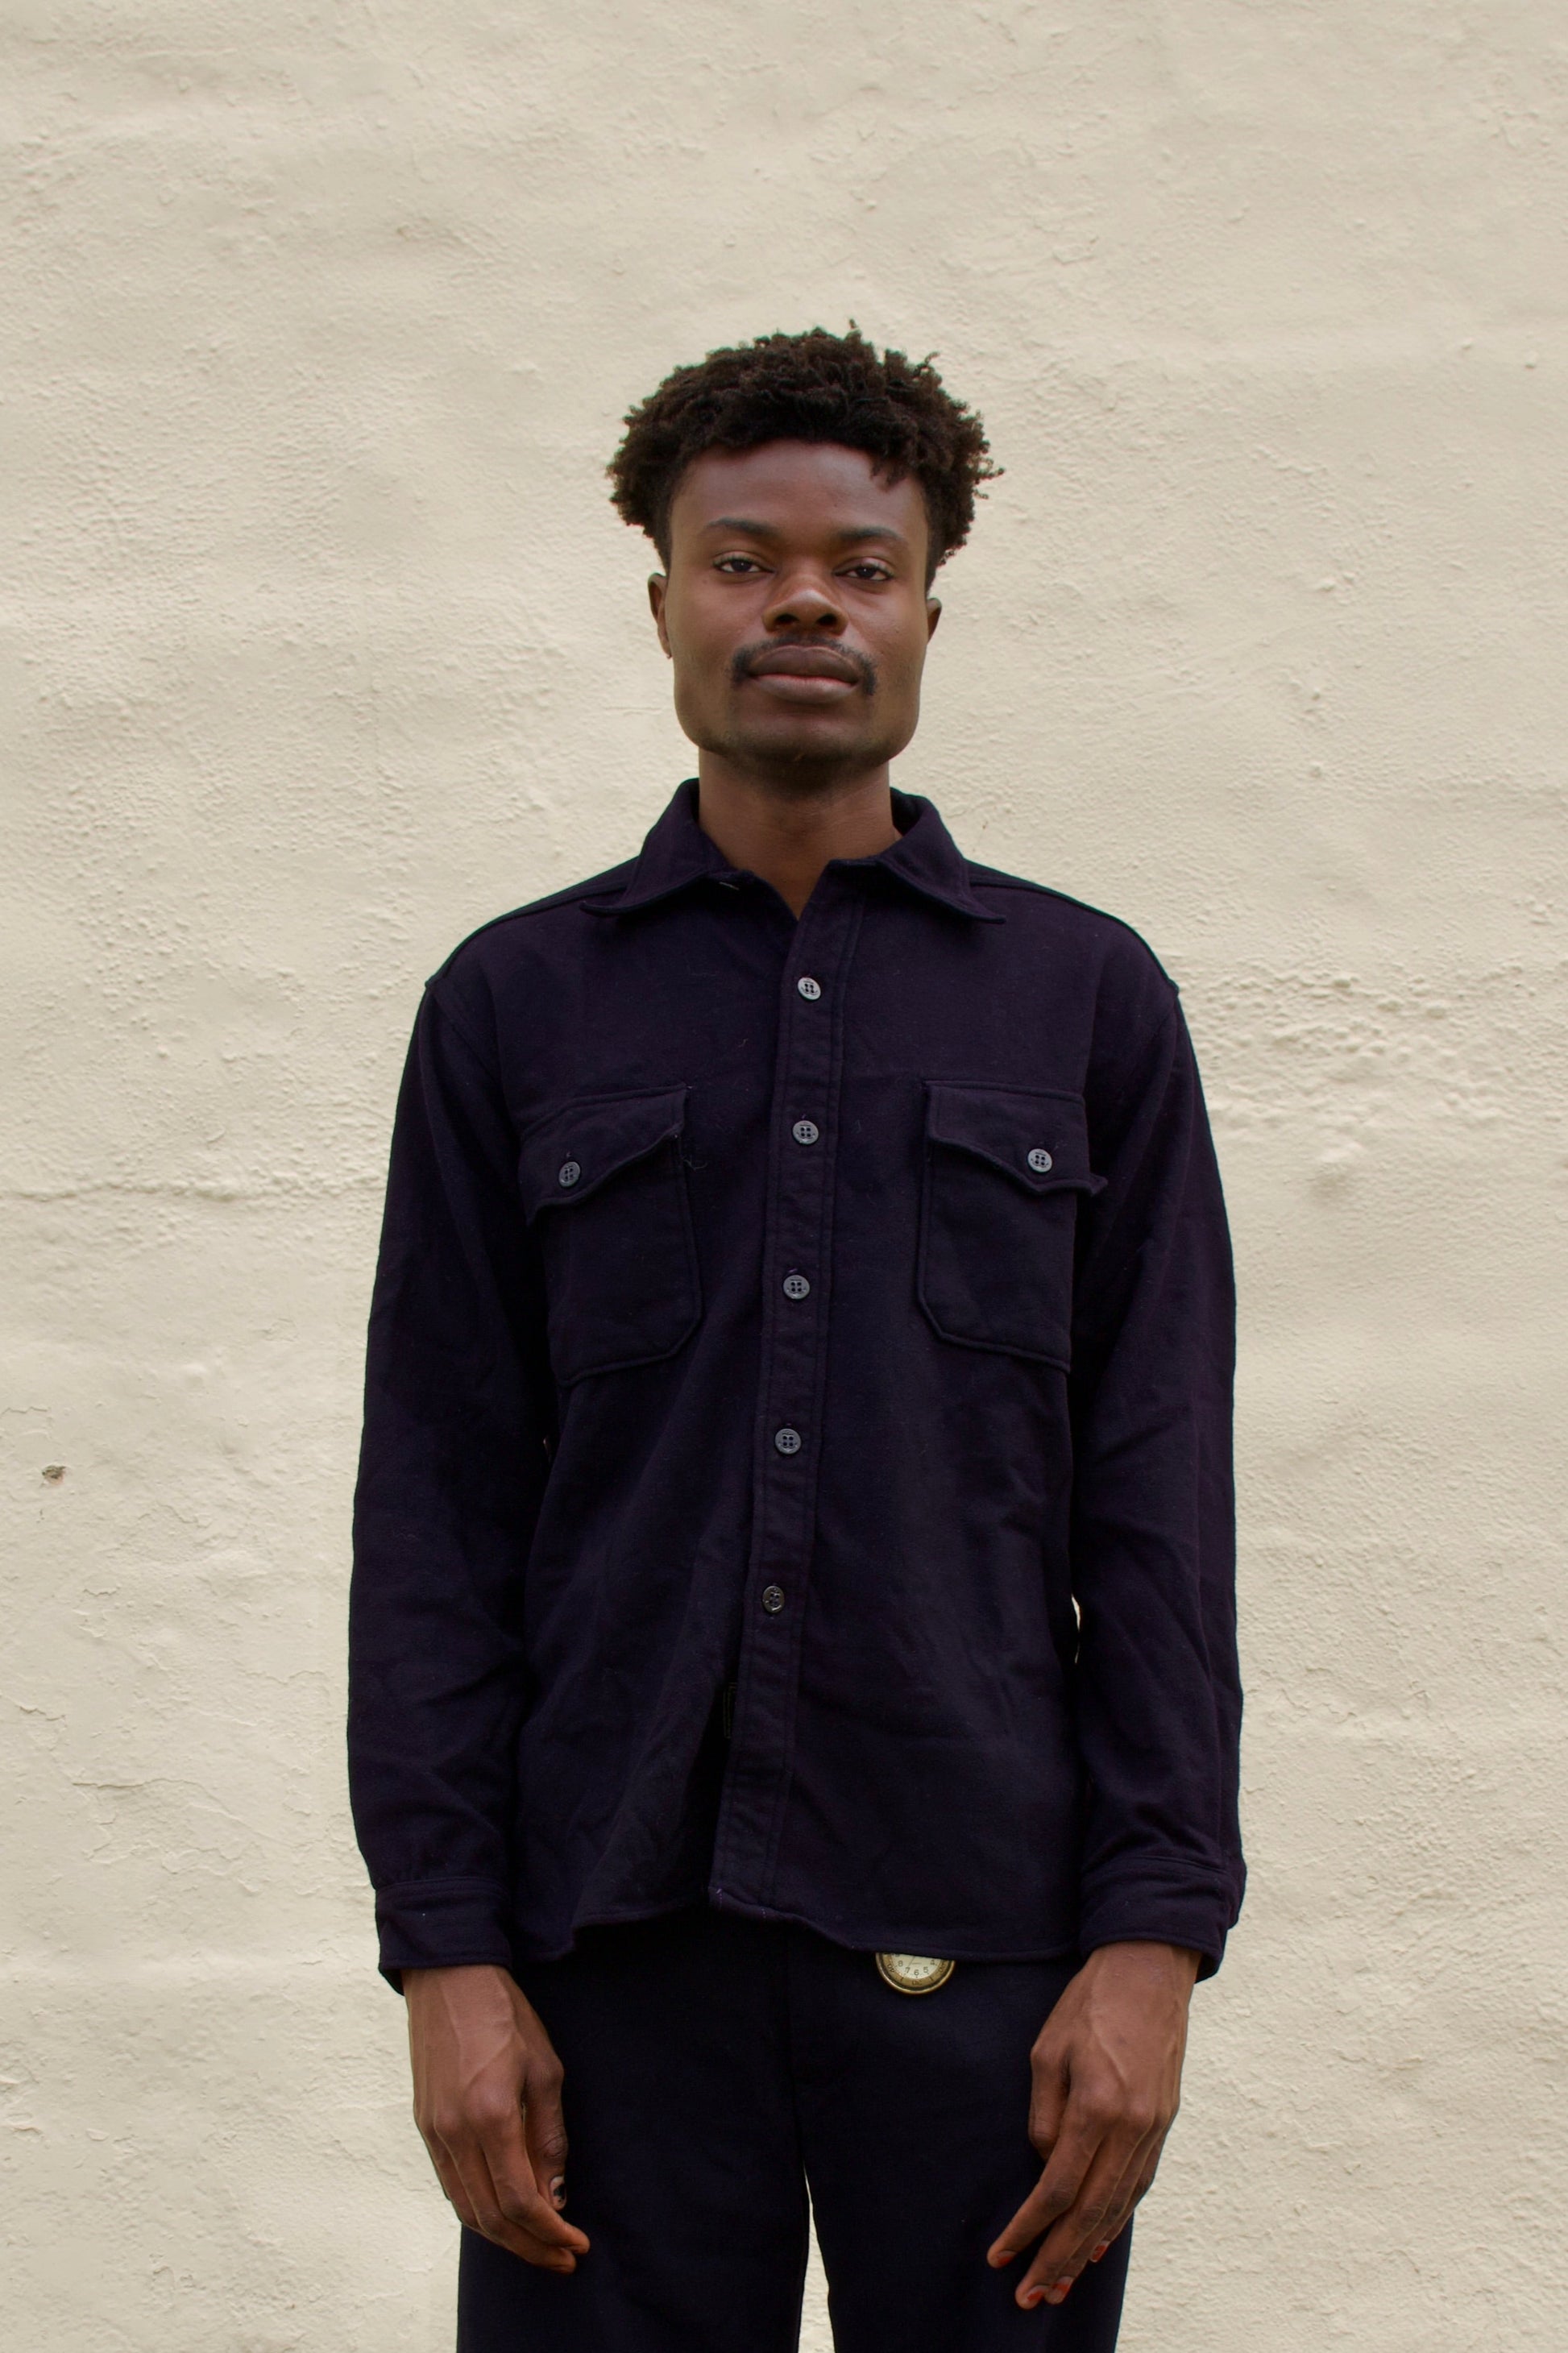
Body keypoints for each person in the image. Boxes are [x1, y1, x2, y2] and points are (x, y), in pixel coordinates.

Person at [348, 326, 1243, 2352]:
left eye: (860, 559)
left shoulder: (1086, 1004)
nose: (805, 602)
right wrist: (447, 1958)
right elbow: (436, 1512)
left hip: (993, 1944)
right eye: (744, 559)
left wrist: (1152, 1937)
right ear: (663, 598)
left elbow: (1157, 1509)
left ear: (929, 603)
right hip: (605, 1954)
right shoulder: (512, 1008)